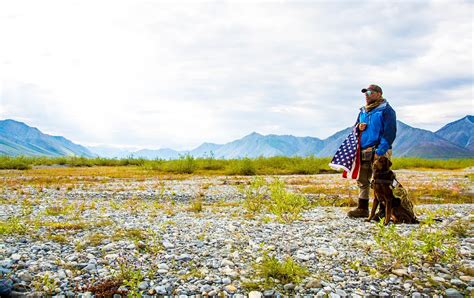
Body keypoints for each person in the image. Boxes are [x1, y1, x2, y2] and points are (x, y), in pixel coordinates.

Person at [347, 84, 397, 218]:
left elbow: (390, 133)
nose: (367, 95)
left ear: (379, 94)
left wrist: (380, 151)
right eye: (365, 93)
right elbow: (354, 129)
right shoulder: (363, 111)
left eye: (370, 92)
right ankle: (363, 208)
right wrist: (358, 127)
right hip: (363, 149)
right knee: (363, 178)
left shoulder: (386, 110)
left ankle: (382, 211)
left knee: (381, 180)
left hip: (379, 149)